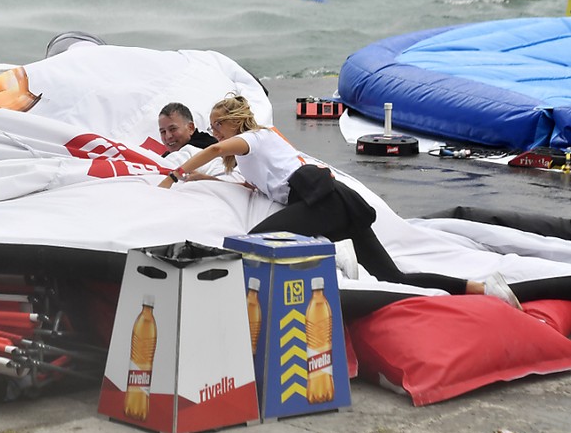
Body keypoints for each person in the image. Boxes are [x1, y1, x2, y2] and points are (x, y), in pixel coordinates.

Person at [157, 94, 523, 308]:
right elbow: (247, 183)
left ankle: (332, 250)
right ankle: (480, 287)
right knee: (391, 276)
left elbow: (219, 147)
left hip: (320, 198)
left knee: (254, 242)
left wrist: (172, 176)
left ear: (235, 123)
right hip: (331, 198)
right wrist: (199, 178)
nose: (214, 130)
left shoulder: (256, 137)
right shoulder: (251, 157)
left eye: (218, 124)